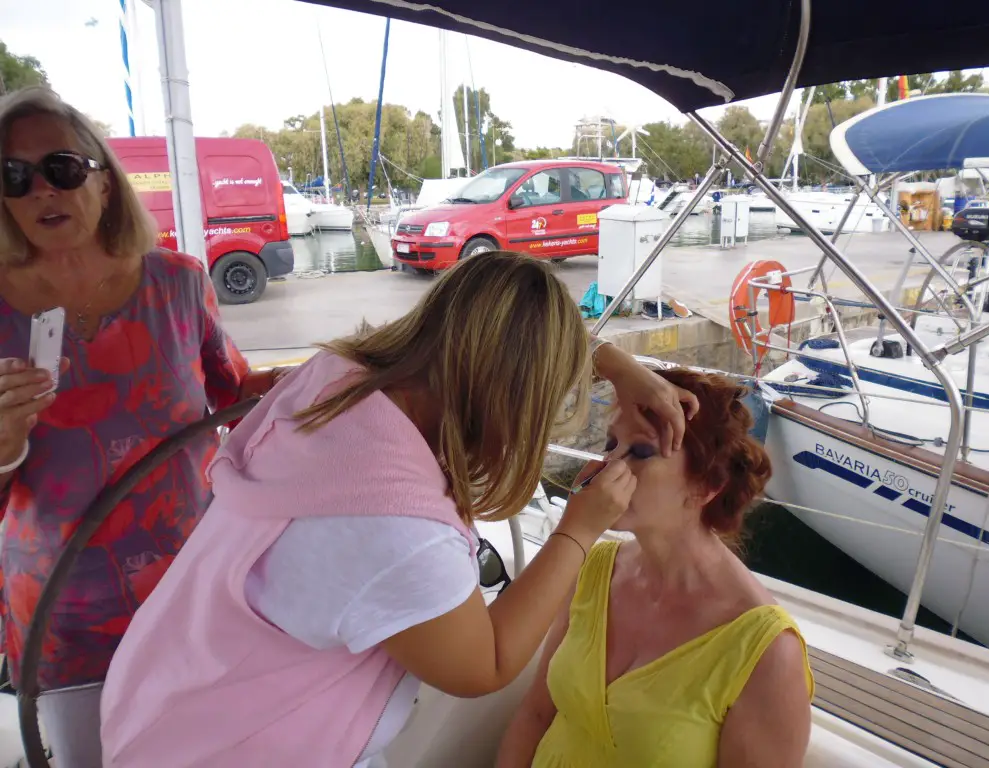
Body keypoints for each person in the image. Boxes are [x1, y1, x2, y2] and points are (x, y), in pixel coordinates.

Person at [100, 250, 697, 767]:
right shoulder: (391, 525)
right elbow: (483, 666)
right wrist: (577, 530)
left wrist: (616, 364)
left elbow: (493, 340)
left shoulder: (335, 382)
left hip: (172, 707)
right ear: (517, 399)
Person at [0, 86, 280, 765]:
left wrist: (319, 386)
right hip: (62, 616)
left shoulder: (179, 283)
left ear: (102, 178)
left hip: (196, 590)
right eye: (13, 175)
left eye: (61, 167)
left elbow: (235, 397)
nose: (42, 190)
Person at [498, 368, 815, 768]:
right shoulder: (593, 569)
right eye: (611, 444)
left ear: (706, 486)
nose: (609, 467)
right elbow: (536, 714)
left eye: (641, 452)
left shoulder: (766, 652)